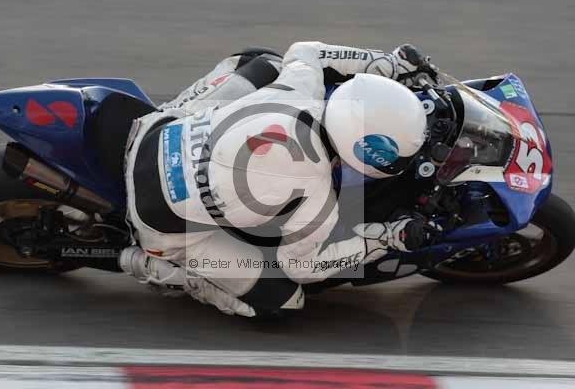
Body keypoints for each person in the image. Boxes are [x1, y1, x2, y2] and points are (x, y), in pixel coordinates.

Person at [119, 41, 440, 317]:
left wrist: (388, 63)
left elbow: (305, 51)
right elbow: (301, 267)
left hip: (155, 131)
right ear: (368, 152)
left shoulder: (299, 90)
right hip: (162, 227)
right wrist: (388, 238)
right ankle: (154, 266)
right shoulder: (316, 198)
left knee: (264, 62)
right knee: (283, 300)